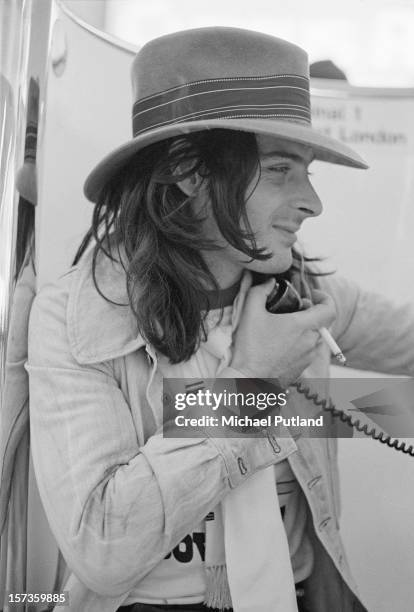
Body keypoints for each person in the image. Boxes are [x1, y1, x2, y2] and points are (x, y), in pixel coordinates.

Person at [27, 27, 414, 612]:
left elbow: (386, 390)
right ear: (188, 170)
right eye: (282, 169)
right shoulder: (73, 317)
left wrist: (350, 401)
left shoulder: (302, 297)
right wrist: (251, 385)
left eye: (309, 172)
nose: (313, 202)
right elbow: (102, 548)